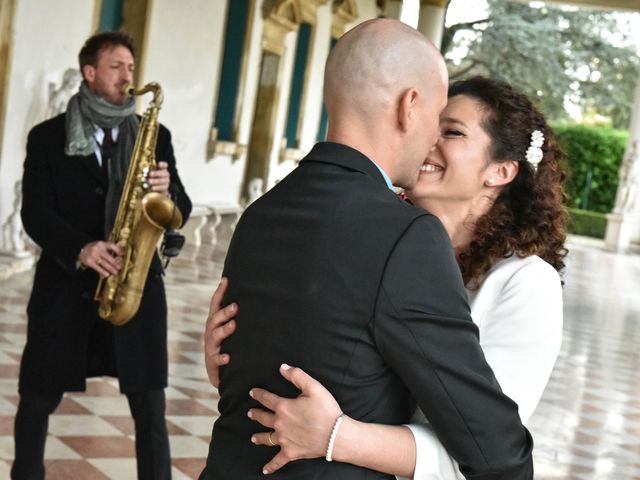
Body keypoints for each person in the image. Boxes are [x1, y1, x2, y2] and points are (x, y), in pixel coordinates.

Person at [200, 19, 533, 480]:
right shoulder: (405, 234)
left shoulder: (259, 213)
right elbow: (495, 450)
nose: (434, 138)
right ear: (409, 106)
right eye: (438, 118)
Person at [12, 32, 192, 480]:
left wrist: (166, 193)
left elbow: (180, 210)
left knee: (150, 407)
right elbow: (34, 213)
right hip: (65, 290)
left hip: (136, 288)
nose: (127, 76)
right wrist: (82, 248)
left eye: (131, 67)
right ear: (90, 73)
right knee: (36, 400)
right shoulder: (48, 138)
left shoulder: (157, 137)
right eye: (116, 67)